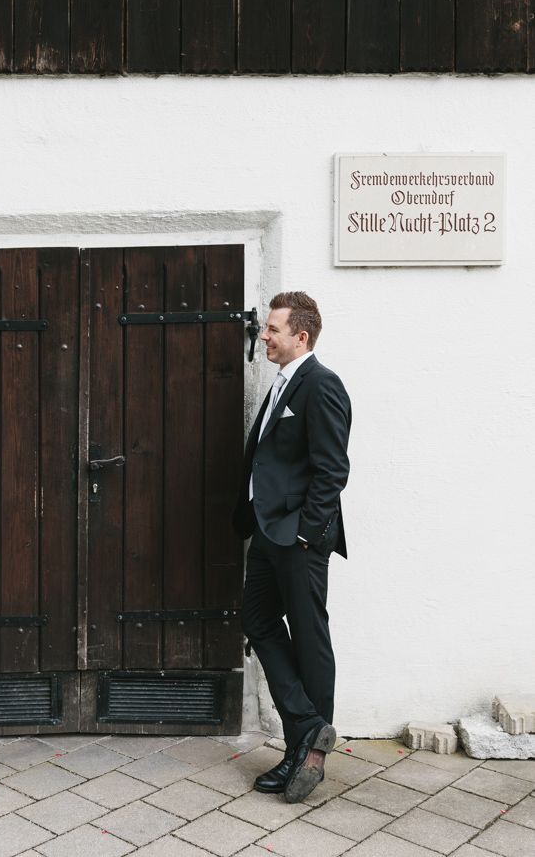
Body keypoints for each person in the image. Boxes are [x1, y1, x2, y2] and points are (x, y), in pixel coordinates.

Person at [233, 291, 351, 804]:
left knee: (308, 637)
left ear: (300, 336)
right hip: (267, 532)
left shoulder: (321, 384)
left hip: (298, 537)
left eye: (272, 330)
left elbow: (332, 470)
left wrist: (304, 532)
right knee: (255, 619)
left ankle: (308, 756)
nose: (264, 336)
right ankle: (307, 727)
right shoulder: (282, 384)